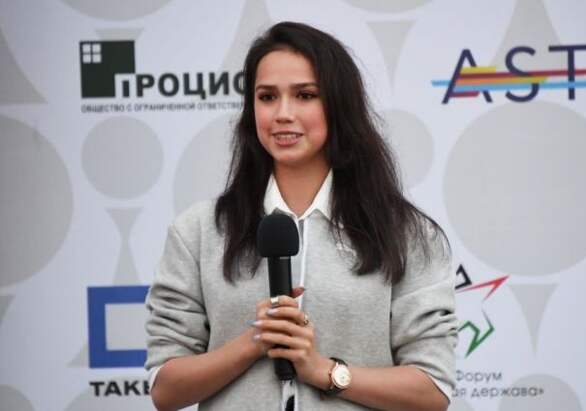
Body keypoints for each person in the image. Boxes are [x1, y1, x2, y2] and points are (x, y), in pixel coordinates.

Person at [145, 21, 457, 411]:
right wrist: (255, 341)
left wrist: (324, 371)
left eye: (305, 95)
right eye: (267, 97)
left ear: (339, 105)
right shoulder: (198, 232)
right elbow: (165, 389)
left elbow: (433, 389)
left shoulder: (406, 233)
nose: (283, 114)